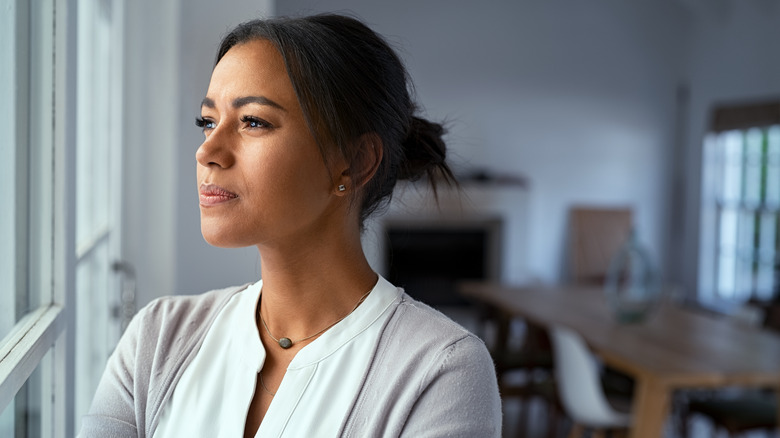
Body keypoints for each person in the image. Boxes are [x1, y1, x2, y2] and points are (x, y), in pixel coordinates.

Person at [80, 13, 501, 437]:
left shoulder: (441, 372)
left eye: (253, 122)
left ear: (354, 162)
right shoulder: (157, 339)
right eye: (208, 122)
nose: (207, 151)